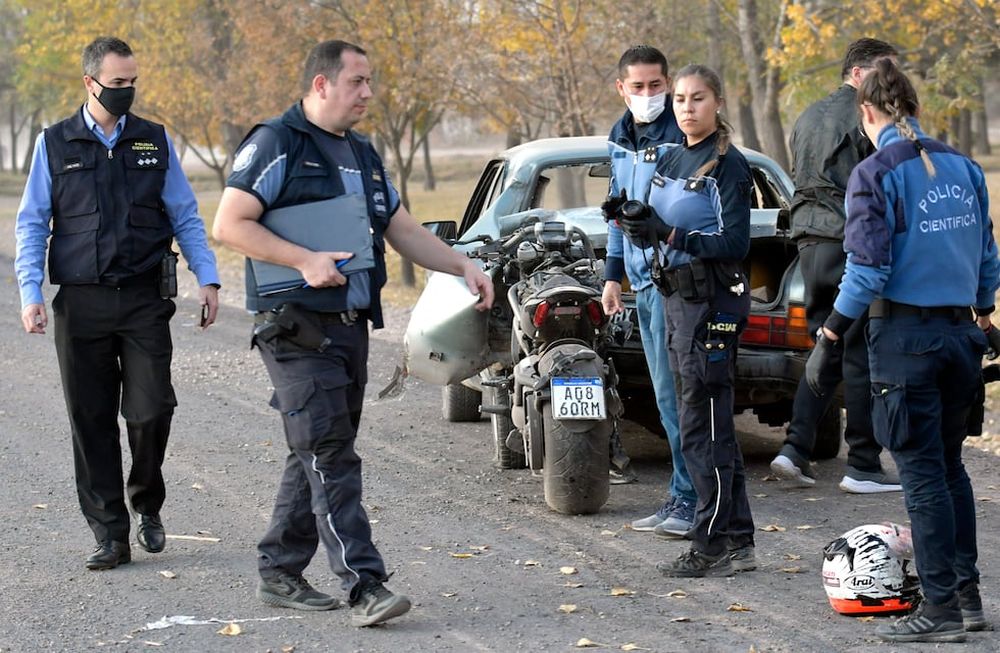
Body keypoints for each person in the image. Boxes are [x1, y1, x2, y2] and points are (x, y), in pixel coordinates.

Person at [211, 40, 493, 627]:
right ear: (321, 84)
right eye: (357, 81)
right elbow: (229, 223)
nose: (368, 93)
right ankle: (365, 584)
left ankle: (279, 571)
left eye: (369, 82)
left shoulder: (362, 152)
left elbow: (401, 228)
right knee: (330, 452)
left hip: (350, 328)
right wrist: (302, 260)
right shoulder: (275, 142)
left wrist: (462, 264)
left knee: (314, 450)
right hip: (293, 328)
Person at [804, 58, 999, 643]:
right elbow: (987, 256)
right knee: (949, 468)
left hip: (906, 344)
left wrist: (830, 334)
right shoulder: (963, 167)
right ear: (912, 106)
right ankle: (965, 597)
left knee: (921, 477)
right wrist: (985, 315)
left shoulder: (875, 174)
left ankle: (939, 606)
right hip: (962, 336)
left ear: (866, 112)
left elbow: (867, 270)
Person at [13, 36, 220, 571]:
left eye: (133, 82)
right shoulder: (54, 143)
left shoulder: (153, 140)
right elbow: (33, 222)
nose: (128, 91)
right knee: (91, 418)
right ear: (90, 82)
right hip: (80, 303)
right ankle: (111, 534)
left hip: (144, 299)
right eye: (118, 83)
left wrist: (209, 277)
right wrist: (30, 293)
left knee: (152, 410)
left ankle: (146, 503)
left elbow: (185, 214)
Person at [618, 64, 755, 577]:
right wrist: (635, 225)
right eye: (679, 98)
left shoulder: (729, 166)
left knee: (704, 426)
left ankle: (712, 542)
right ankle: (737, 540)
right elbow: (656, 221)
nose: (685, 107)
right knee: (701, 421)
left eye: (697, 98)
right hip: (675, 300)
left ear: (717, 102)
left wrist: (669, 235)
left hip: (712, 304)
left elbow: (734, 244)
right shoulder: (674, 155)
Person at [769, 38, 903, 494]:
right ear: (861, 73)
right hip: (848, 242)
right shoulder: (867, 118)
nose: (893, 86)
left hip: (808, 244)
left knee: (827, 348)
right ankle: (863, 464)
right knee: (863, 354)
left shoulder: (808, 116)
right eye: (886, 73)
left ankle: (794, 448)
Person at [600, 45, 694, 536]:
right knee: (665, 397)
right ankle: (682, 494)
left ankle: (692, 499)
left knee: (681, 396)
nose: (648, 95)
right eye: (637, 87)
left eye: (656, 85)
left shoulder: (682, 135)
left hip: (679, 281)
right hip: (643, 283)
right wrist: (613, 275)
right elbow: (619, 212)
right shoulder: (619, 136)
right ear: (622, 88)